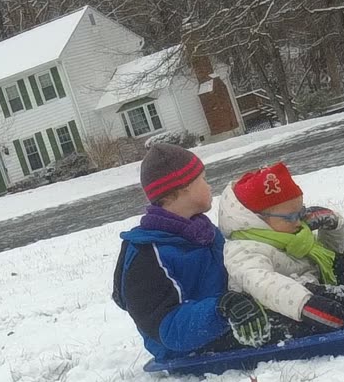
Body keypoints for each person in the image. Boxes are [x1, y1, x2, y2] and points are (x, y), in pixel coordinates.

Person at [112, 143, 273, 359]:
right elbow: (167, 328)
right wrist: (221, 309)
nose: (209, 186)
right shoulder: (148, 255)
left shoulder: (203, 231)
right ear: (183, 187)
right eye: (203, 179)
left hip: (232, 317)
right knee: (294, 321)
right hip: (190, 346)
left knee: (291, 298)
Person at [216, 162, 344, 334]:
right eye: (291, 216)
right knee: (331, 302)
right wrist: (304, 302)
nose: (299, 221)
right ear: (259, 219)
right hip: (292, 305)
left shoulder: (292, 232)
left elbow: (331, 254)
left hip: (319, 285)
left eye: (301, 212)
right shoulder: (242, 250)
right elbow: (264, 284)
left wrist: (333, 224)